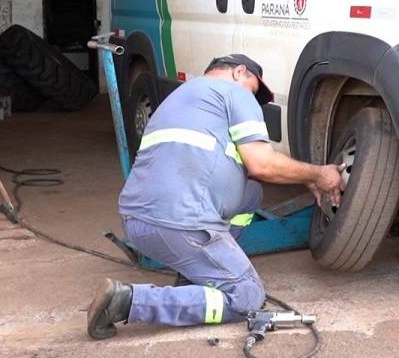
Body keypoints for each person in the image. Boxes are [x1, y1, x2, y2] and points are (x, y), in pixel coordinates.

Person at [86, 54, 345, 340]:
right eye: (253, 89)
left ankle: (199, 274)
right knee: (246, 296)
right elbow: (262, 164)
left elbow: (241, 171)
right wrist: (318, 174)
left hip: (137, 221)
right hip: (179, 225)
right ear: (240, 72)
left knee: (251, 193)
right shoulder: (236, 93)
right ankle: (127, 302)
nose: (252, 98)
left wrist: (299, 175)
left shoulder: (179, 97)